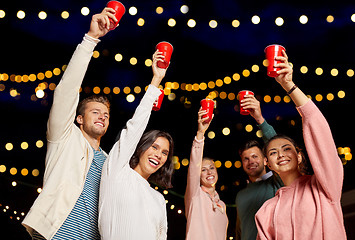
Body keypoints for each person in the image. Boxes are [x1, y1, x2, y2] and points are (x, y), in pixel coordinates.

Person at [22, 8, 118, 240]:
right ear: (79, 119)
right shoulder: (64, 138)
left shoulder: (110, 162)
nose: (102, 117)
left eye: (106, 114)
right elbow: (66, 91)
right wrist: (91, 39)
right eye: (95, 112)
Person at [255, 51, 347, 239]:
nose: (280, 154)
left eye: (287, 148)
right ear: (268, 164)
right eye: (273, 152)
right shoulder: (266, 211)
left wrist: (288, 85)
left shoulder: (324, 186)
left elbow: (317, 127)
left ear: (300, 156)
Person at [98, 50, 174, 240]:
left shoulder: (158, 199)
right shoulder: (116, 171)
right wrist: (156, 80)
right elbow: (134, 128)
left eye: (165, 152)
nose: (159, 155)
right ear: (140, 147)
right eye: (154, 147)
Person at [235, 96, 283, 240]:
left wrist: (259, 119)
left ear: (265, 159)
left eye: (255, 156)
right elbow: (240, 232)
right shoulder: (240, 195)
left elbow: (277, 146)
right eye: (246, 159)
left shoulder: (277, 183)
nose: (251, 161)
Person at [184, 108, 229, 240]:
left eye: (211, 168)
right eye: (203, 170)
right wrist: (200, 133)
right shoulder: (195, 195)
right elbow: (193, 166)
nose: (209, 172)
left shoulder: (221, 204)